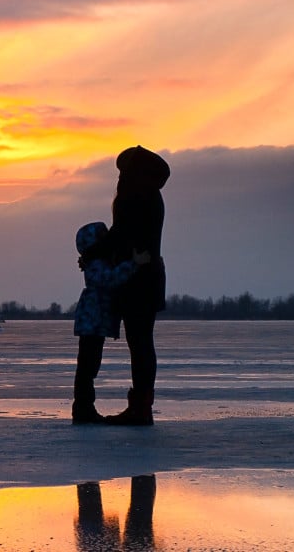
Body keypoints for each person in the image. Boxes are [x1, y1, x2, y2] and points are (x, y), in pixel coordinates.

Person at [103, 145, 170, 426]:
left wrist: (96, 250)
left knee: (139, 342)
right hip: (148, 276)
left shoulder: (136, 197)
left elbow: (122, 235)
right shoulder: (151, 196)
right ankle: (142, 405)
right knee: (141, 342)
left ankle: (141, 408)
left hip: (138, 279)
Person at [71, 221, 151, 424]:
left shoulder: (98, 261)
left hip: (94, 323)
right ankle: (83, 408)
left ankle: (84, 407)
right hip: (92, 323)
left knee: (89, 366)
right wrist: (134, 263)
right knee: (87, 367)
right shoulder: (97, 264)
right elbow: (110, 279)